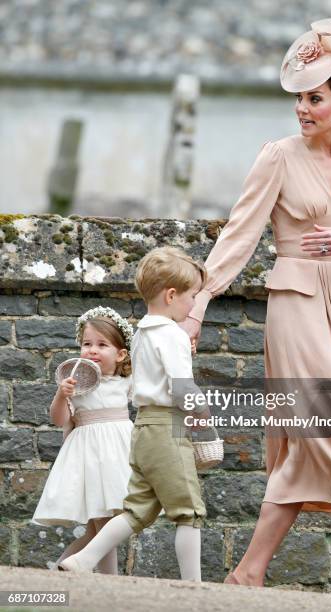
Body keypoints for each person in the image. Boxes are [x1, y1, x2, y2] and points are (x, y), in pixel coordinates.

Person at [179, 16, 331, 597]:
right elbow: (239, 233)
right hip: (295, 305)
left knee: (316, 437)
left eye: (315, 98)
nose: (303, 108)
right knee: (330, 425)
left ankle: (315, 575)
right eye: (300, 99)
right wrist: (200, 300)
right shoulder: (278, 156)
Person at [58, 247, 211, 582]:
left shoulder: (143, 332)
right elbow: (181, 386)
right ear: (172, 295)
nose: (194, 304)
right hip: (166, 426)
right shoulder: (173, 334)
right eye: (192, 296)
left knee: (136, 509)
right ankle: (195, 585)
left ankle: (84, 559)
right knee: (189, 510)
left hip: (142, 427)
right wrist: (203, 415)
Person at [32, 306, 134, 574]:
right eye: (87, 344)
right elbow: (58, 419)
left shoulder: (126, 382)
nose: (92, 350)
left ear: (120, 354)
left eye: (102, 345)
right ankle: (105, 581)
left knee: (101, 527)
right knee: (102, 524)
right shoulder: (78, 385)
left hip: (118, 456)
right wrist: (61, 395)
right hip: (90, 456)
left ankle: (62, 571)